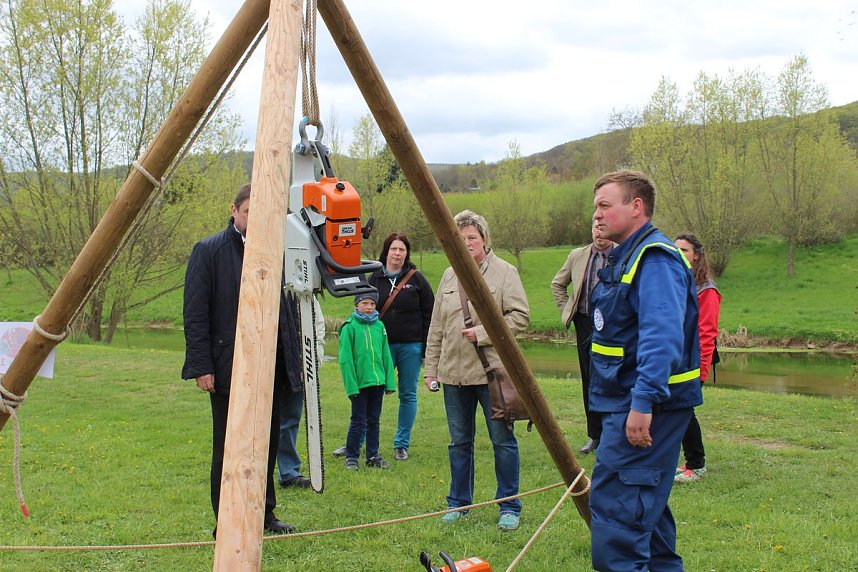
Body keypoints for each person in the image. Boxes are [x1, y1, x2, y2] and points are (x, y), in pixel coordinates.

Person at [588, 171, 703, 571]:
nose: (597, 215)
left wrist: (643, 403)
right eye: (596, 206)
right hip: (623, 402)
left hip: (645, 407)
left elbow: (662, 337)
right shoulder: (626, 256)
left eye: (605, 205)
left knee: (619, 515)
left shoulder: (653, 259)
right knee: (644, 512)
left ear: (636, 207)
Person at [182, 184, 299, 536]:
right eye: (249, 212)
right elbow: (195, 313)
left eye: (260, 213)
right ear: (234, 210)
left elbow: (290, 308)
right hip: (228, 364)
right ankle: (227, 520)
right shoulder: (208, 251)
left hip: (271, 363)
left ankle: (265, 513)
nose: (254, 219)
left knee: (268, 442)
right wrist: (202, 366)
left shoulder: (276, 249)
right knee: (230, 445)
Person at [424, 210, 530, 532]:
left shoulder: (505, 272)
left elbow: (520, 318)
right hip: (453, 376)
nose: (467, 243)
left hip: (491, 375)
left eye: (472, 237)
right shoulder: (447, 275)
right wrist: (431, 368)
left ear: (484, 239)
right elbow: (437, 327)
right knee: (459, 443)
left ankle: (509, 506)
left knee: (502, 442)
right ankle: (458, 504)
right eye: (461, 238)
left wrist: (482, 333)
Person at [551, 220, 613, 454]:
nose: (599, 232)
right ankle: (595, 435)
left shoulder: (621, 254)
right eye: (596, 228)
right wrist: (568, 311)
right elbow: (557, 284)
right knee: (589, 380)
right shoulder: (578, 255)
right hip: (585, 324)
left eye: (604, 228)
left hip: (613, 328)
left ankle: (613, 433)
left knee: (611, 379)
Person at [673, 233, 721, 484]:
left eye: (685, 250)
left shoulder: (707, 290)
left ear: (697, 256)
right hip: (676, 358)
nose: (679, 253)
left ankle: (697, 464)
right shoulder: (677, 282)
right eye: (676, 249)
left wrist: (701, 370)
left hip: (694, 361)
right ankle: (688, 461)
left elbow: (707, 333)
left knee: (684, 409)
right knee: (676, 408)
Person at [338, 291, 396, 470]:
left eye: (372, 304)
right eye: (365, 303)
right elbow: (345, 359)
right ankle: (352, 457)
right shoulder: (350, 327)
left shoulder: (379, 326)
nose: (369, 307)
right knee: (358, 421)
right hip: (359, 385)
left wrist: (389, 382)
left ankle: (372, 455)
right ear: (357, 305)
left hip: (377, 383)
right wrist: (351, 386)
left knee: (374, 421)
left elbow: (385, 354)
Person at [277, 294, 325, 488]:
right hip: (269, 364)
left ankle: (288, 472)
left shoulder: (304, 293)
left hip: (298, 366)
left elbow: (318, 327)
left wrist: (312, 361)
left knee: (290, 418)